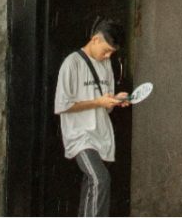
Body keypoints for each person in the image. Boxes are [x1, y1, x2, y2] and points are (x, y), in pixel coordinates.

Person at [54, 18, 130, 218]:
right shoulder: (72, 63)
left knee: (92, 185)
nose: (108, 56)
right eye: (106, 50)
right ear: (95, 39)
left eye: (112, 53)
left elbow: (106, 104)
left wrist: (115, 100)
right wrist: (98, 102)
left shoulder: (106, 65)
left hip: (100, 134)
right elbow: (63, 105)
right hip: (80, 135)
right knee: (99, 179)